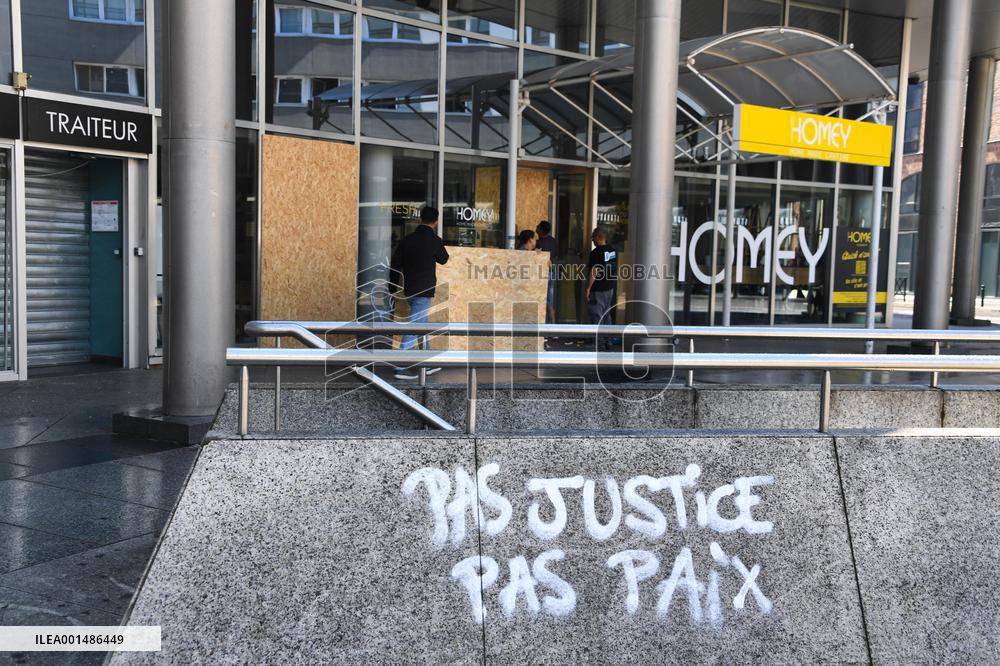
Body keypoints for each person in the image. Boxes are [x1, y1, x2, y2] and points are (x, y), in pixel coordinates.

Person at [389, 205, 448, 380]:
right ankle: (399, 367)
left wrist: (391, 289)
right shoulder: (434, 240)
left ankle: (428, 363)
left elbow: (395, 265)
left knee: (422, 325)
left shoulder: (407, 240)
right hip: (425, 290)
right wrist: (438, 243)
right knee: (415, 327)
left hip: (409, 290)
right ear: (436, 222)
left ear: (420, 219)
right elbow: (444, 259)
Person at [585, 227, 617, 350]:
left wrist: (588, 288)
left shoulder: (596, 252)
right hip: (610, 287)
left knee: (596, 315)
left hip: (598, 288)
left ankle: (599, 343)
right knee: (607, 315)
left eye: (593, 237)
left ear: (599, 237)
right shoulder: (613, 251)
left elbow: (594, 270)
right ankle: (608, 340)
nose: (592, 240)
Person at [535, 221, 557, 324]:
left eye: (538, 226)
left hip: (542, 273)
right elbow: (556, 256)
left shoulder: (539, 243)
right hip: (552, 272)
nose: (536, 227)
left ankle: (544, 325)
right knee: (550, 301)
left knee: (542, 300)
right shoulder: (553, 241)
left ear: (541, 230)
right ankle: (552, 324)